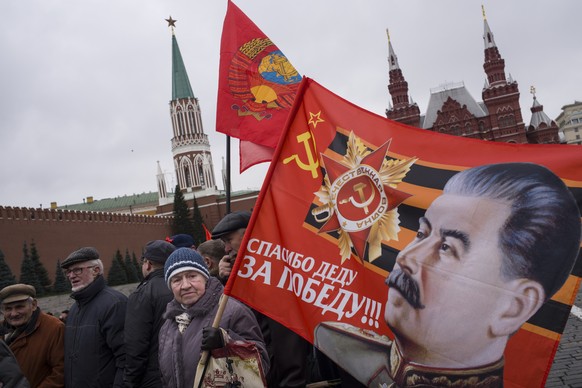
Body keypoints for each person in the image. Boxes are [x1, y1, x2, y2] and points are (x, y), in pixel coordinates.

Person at [315, 162, 582, 387]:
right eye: (421, 234)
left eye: (446, 248)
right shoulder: (337, 344)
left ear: (513, 305)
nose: (406, 258)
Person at [212, 211, 312, 388]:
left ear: (249, 233)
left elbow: (288, 341)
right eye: (224, 242)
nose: (226, 248)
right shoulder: (242, 271)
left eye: (229, 240)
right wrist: (225, 279)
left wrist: (291, 382)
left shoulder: (272, 274)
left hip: (274, 375)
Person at [158, 247, 269, 388]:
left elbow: (262, 365)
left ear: (205, 277)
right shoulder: (167, 326)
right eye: (176, 280)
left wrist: (227, 342)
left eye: (192, 276)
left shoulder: (232, 311)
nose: (185, 285)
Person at [61, 247, 128, 388]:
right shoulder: (74, 309)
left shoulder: (115, 304)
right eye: (68, 272)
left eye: (77, 270)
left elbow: (127, 359)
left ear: (96, 270)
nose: (71, 276)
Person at [123, 240, 175, 388]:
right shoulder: (184, 286)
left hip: (154, 376)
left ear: (148, 264)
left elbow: (136, 345)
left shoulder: (143, 293)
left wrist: (130, 382)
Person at [0, 283, 64, 387]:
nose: (13, 313)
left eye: (19, 307)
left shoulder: (54, 328)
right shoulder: (2, 330)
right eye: (8, 309)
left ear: (33, 305)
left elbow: (60, 372)